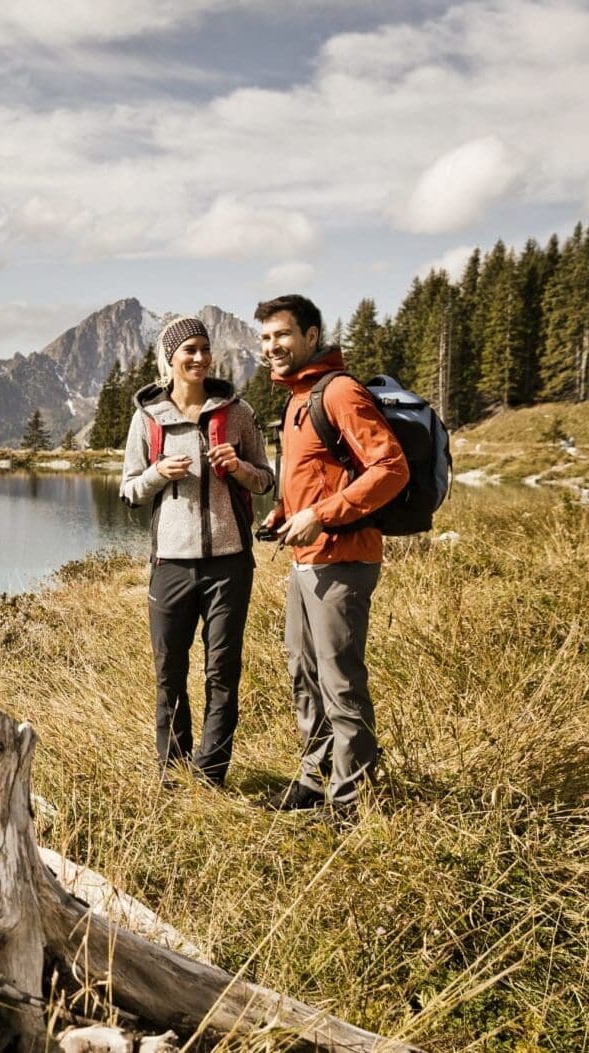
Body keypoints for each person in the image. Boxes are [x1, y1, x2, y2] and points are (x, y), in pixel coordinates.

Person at [253, 293, 409, 823]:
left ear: (312, 337)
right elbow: (314, 475)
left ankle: (352, 803)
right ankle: (314, 780)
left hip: (343, 560)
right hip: (305, 562)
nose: (273, 346)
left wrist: (323, 514)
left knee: (339, 679)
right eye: (266, 338)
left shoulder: (338, 391)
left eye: (283, 335)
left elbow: (391, 468)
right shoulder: (298, 397)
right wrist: (282, 511)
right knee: (304, 673)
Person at [120, 315, 274, 788]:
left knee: (222, 670)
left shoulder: (238, 414)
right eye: (188, 349)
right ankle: (171, 770)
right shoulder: (147, 418)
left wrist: (240, 468)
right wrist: (159, 473)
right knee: (170, 671)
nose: (199, 358)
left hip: (230, 563)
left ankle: (210, 775)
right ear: (170, 358)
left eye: (205, 349)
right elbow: (128, 491)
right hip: (171, 565)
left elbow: (267, 481)